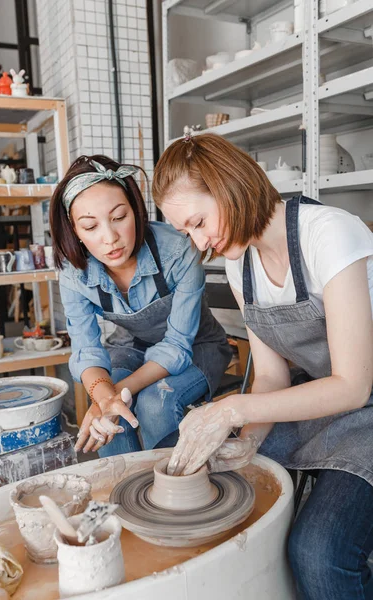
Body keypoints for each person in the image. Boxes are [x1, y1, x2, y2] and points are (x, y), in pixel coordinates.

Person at [152, 132, 373, 600]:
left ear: (228, 183)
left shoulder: (329, 233)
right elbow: (271, 376)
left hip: (364, 402)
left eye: (199, 222)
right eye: (187, 231)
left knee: (318, 553)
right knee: (177, 455)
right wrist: (245, 442)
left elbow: (353, 386)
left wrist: (233, 412)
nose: (200, 242)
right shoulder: (241, 264)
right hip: (323, 400)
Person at [50, 154, 231, 458]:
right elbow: (86, 350)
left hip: (197, 345)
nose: (110, 238)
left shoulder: (178, 249)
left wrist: (115, 395)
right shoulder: (73, 273)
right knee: (112, 406)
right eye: (90, 226)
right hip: (132, 346)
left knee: (152, 402)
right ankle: (124, 491)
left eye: (119, 217)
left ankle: (174, 492)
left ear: (135, 210)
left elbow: (176, 346)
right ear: (75, 231)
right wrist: (104, 398)